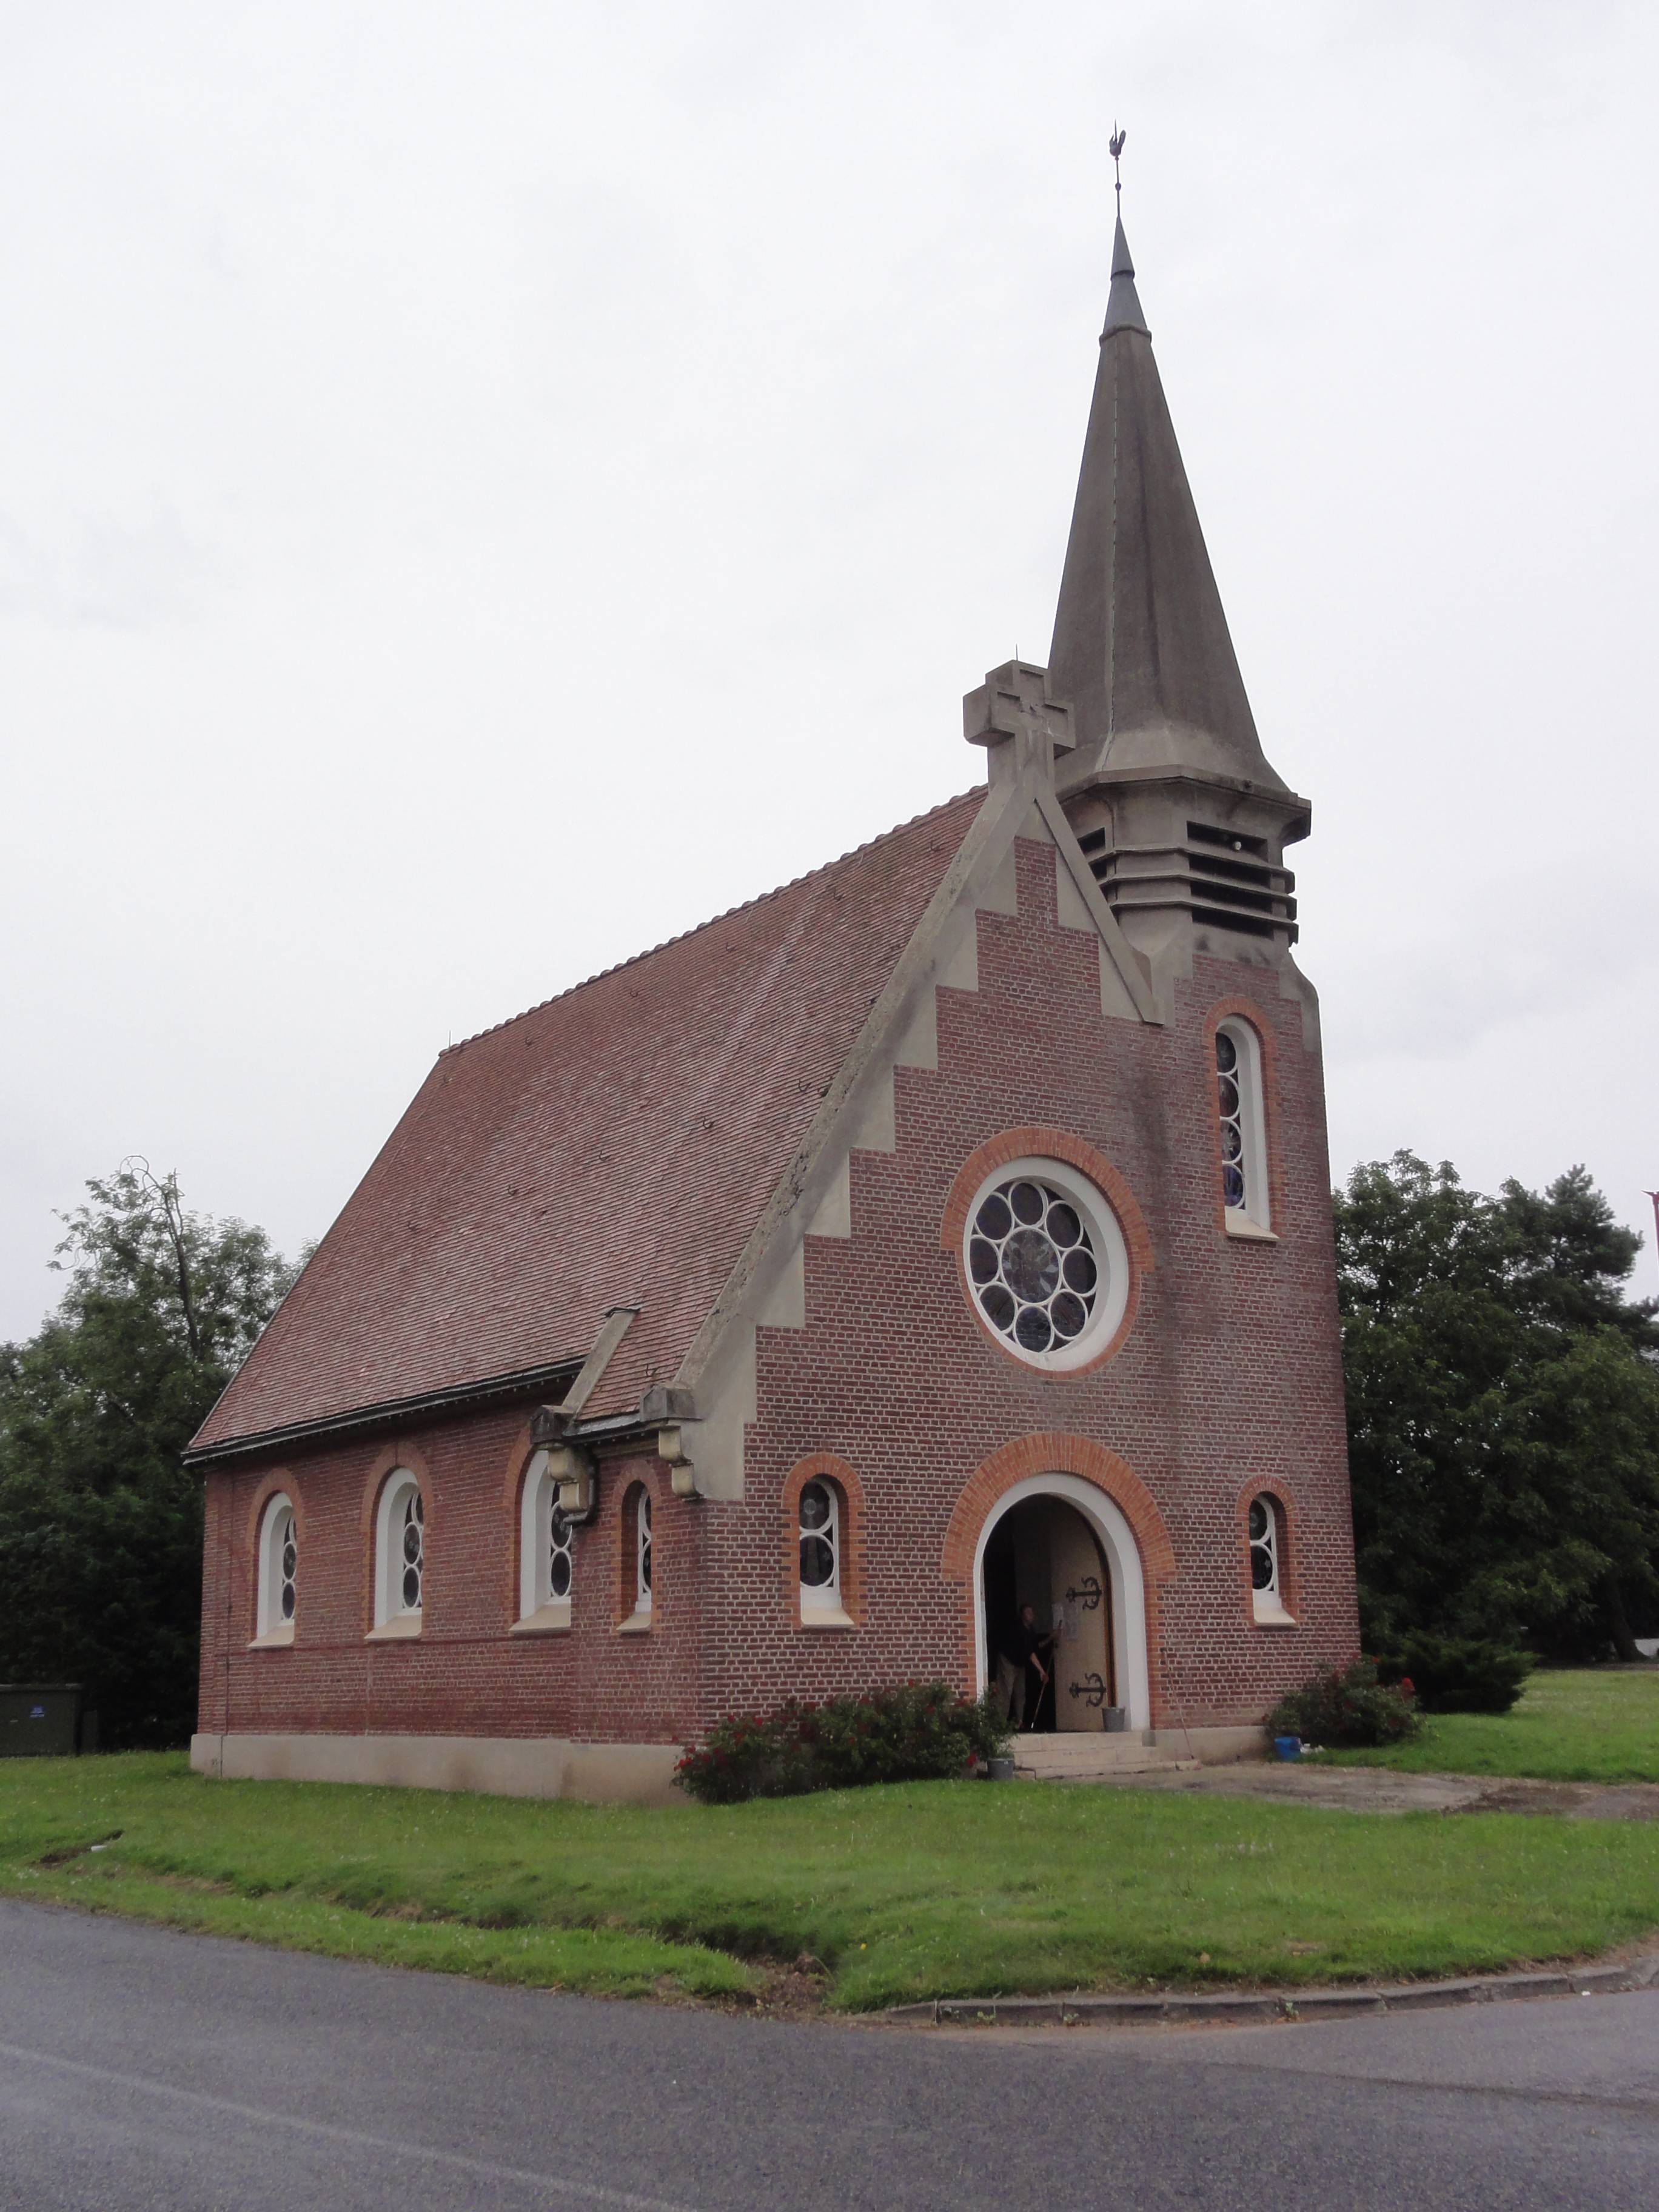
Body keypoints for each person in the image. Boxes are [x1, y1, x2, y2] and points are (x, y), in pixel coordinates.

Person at [995, 1604, 1054, 1730]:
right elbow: (1031, 1654)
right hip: (1008, 1660)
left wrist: (1051, 1638)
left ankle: (1019, 1721)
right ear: (1022, 1616)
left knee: (1020, 1692)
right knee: (1006, 1690)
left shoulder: (1031, 1630)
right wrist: (1042, 1672)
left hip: (1020, 1663)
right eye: (1028, 1613)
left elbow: (1036, 1646)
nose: (1031, 1616)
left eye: (1032, 1613)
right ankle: (1000, 1723)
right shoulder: (1019, 1630)